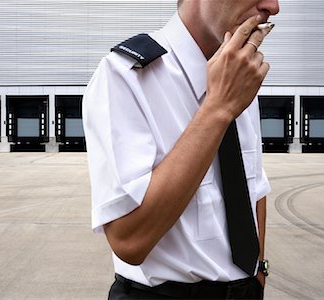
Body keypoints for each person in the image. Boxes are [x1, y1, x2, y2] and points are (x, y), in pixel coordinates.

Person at [83, 0, 279, 299]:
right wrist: (218, 108)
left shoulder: (241, 70)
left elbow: (255, 185)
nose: (273, 7)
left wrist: (258, 272)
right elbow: (129, 241)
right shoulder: (126, 75)